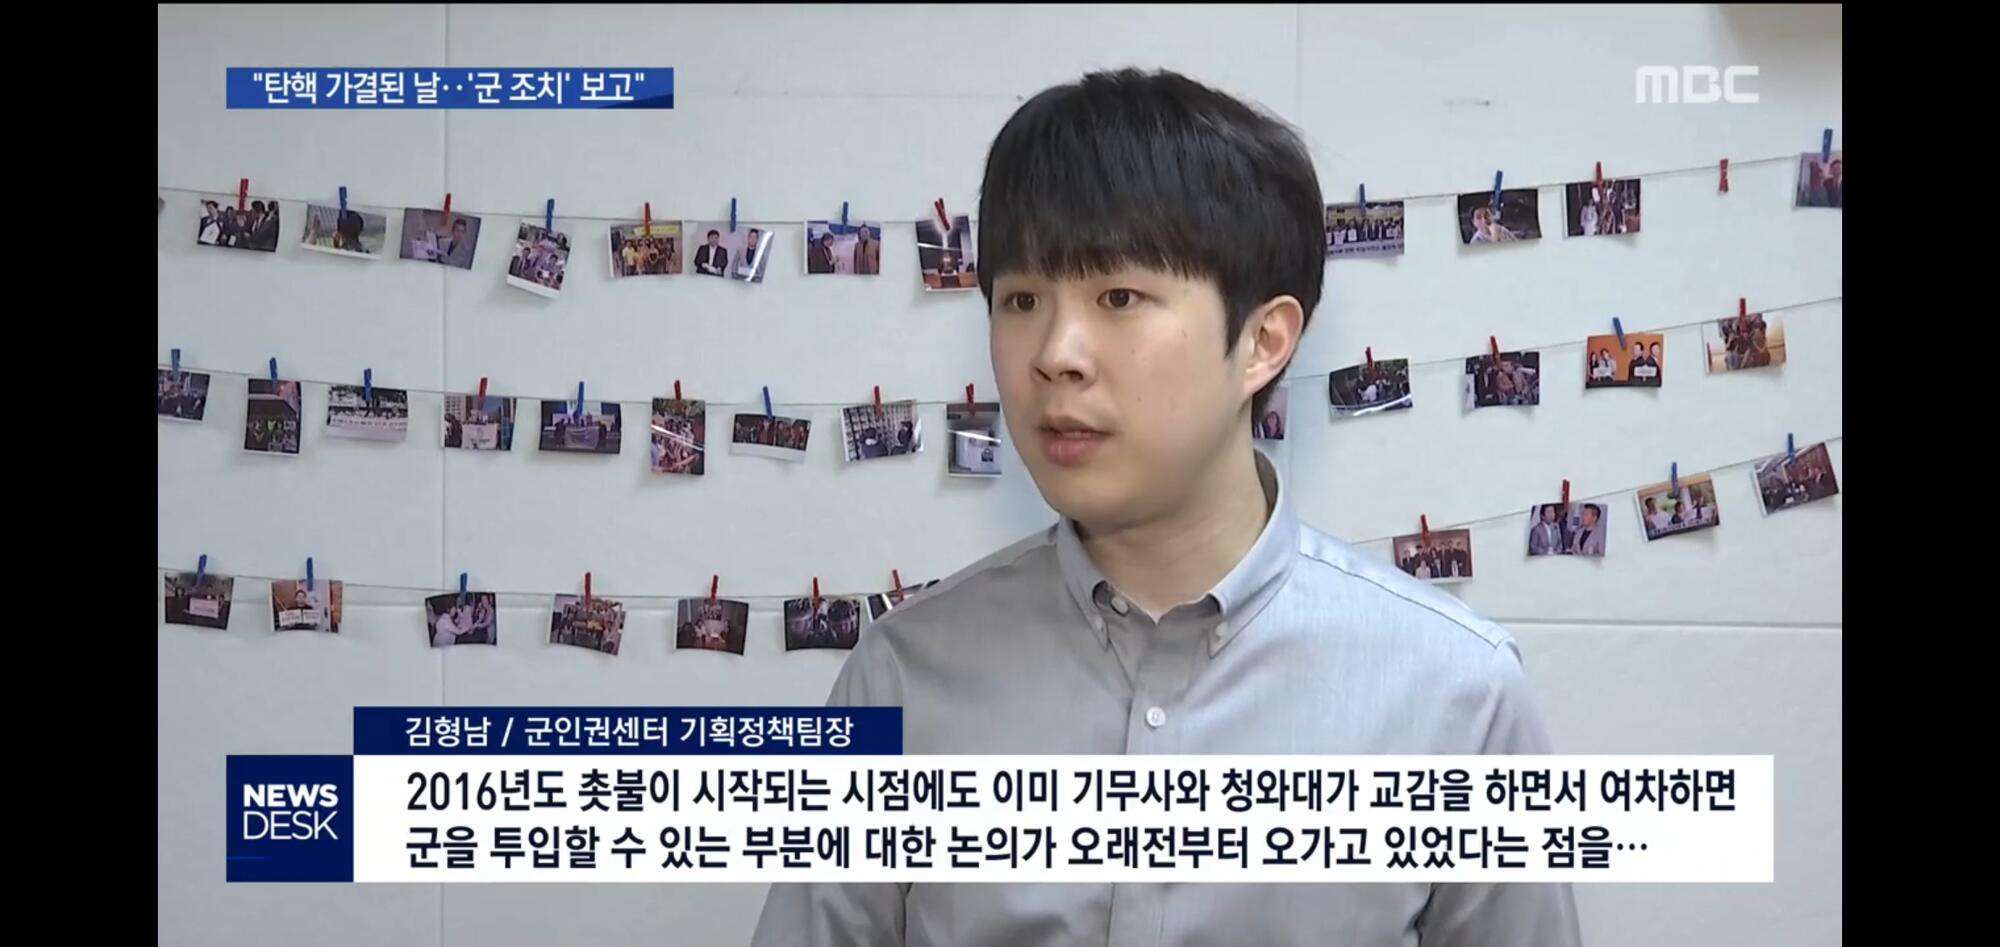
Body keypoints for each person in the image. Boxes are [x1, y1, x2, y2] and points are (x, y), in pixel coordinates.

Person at [751, 67, 1579, 947]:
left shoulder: (1455, 696)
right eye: (1022, 299)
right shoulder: (901, 677)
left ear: (1262, 341)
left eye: (1119, 298)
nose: (1056, 354)